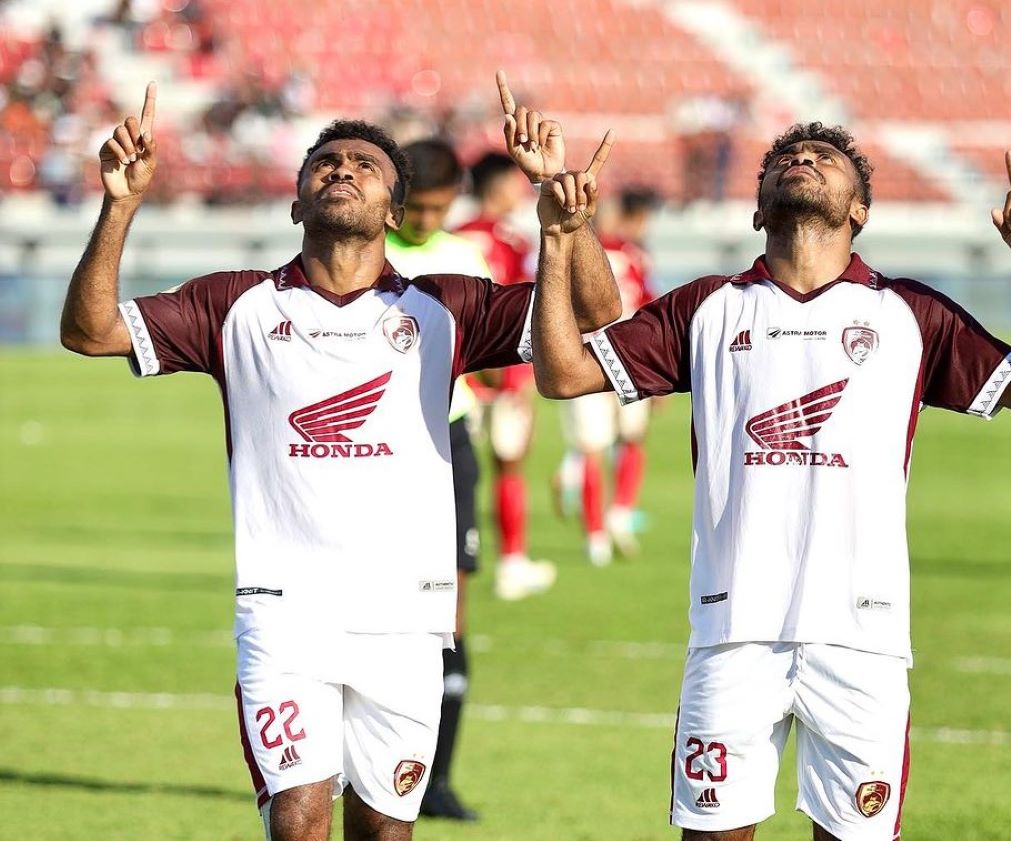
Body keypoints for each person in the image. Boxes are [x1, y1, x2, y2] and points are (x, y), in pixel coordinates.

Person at [59, 80, 620, 841]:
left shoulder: (444, 308)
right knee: (298, 821)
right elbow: (90, 331)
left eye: (364, 163)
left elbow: (595, 312)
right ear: (295, 203)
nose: (342, 168)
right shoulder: (235, 306)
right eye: (324, 162)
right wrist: (119, 203)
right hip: (284, 611)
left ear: (395, 211)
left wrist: (560, 199)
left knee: (384, 831)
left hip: (405, 618)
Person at [530, 122, 1011, 840]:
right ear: (757, 209)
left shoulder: (911, 312)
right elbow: (564, 372)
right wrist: (561, 236)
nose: (803, 159)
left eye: (826, 157)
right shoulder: (708, 306)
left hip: (863, 640)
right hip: (733, 633)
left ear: (861, 212)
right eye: (785, 157)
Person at [383, 137, 546, 822]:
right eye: (411, 208)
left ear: (453, 201)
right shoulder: (366, 251)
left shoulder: (464, 259)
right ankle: (363, 771)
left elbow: (488, 361)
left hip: (447, 442)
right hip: (373, 452)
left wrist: (507, 386)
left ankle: (437, 777)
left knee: (449, 616)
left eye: (433, 207)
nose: (421, 220)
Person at [454, 152, 548, 587]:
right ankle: (511, 562)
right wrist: (523, 375)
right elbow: (526, 309)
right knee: (508, 465)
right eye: (515, 183)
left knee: (454, 472)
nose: (520, 191)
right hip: (500, 372)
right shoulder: (512, 242)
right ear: (496, 186)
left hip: (454, 376)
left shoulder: (450, 237)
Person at [555, 187, 660, 562]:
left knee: (593, 450)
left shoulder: (567, 256)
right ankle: (617, 513)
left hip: (586, 360)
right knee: (628, 439)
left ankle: (598, 531)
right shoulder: (632, 254)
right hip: (626, 358)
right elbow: (650, 308)